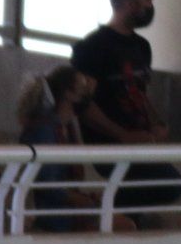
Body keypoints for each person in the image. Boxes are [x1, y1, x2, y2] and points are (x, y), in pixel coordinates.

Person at [71, 0, 181, 219]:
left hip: (140, 143)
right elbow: (82, 103)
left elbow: (140, 93)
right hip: (109, 145)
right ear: (128, 3)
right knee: (169, 183)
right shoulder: (92, 47)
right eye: (147, 0)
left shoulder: (142, 47)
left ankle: (117, 219)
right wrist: (122, 135)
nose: (151, 6)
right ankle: (104, 212)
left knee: (156, 191)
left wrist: (156, 125)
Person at [18, 67, 135, 233]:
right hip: (55, 214)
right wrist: (85, 201)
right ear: (69, 93)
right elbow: (49, 185)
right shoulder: (44, 130)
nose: (89, 88)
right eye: (83, 84)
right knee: (125, 227)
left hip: (65, 208)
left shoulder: (66, 128)